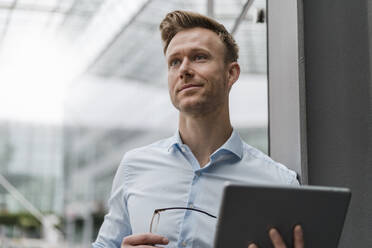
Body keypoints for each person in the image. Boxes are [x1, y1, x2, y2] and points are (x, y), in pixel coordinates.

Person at [93, 10, 304, 248]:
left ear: (231, 73)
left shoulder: (279, 184)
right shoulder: (133, 166)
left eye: (199, 57)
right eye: (174, 62)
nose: (184, 69)